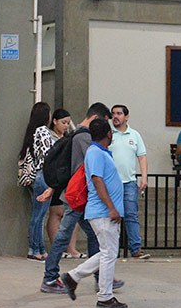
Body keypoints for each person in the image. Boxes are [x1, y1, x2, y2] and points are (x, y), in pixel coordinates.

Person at [40, 103, 122, 294]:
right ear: (95, 119)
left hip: (79, 196)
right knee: (64, 236)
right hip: (79, 197)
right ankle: (51, 277)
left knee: (93, 237)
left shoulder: (76, 134)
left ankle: (101, 277)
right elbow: (93, 172)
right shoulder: (85, 138)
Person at [61, 119, 127, 308]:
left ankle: (73, 277)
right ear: (109, 134)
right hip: (103, 212)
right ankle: (105, 297)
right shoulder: (96, 153)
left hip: (102, 211)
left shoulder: (98, 152)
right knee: (108, 255)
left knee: (107, 253)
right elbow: (97, 180)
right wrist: (111, 208)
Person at [110, 104, 150, 260]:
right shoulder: (109, 134)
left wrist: (144, 176)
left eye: (119, 113)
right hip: (111, 183)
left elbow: (142, 156)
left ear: (126, 117)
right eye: (113, 113)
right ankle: (113, 249)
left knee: (131, 215)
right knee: (113, 216)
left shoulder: (134, 135)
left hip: (129, 182)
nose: (116, 116)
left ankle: (135, 249)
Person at [45, 109, 85, 259]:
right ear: (54, 121)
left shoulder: (70, 138)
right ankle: (57, 248)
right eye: (63, 122)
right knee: (56, 213)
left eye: (68, 123)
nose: (66, 126)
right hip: (55, 177)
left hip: (68, 178)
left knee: (71, 212)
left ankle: (71, 248)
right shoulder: (49, 137)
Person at [19, 102, 55, 261]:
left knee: (37, 214)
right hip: (44, 175)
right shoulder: (43, 131)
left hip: (35, 176)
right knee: (39, 216)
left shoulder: (32, 131)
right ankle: (34, 249)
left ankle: (39, 248)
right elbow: (49, 155)